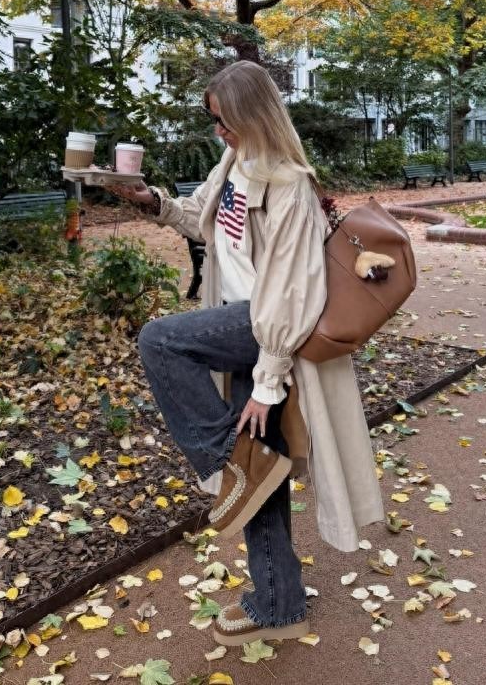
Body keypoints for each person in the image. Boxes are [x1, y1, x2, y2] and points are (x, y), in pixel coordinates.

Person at [111, 61, 384, 647]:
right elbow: (202, 221)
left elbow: (292, 290)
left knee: (160, 340)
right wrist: (151, 201)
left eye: (224, 120)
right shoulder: (233, 163)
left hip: (266, 330)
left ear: (251, 116)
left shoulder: (288, 184)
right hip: (242, 320)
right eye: (214, 120)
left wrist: (267, 382)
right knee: (263, 476)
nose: (218, 131)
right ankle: (279, 603)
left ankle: (229, 461)